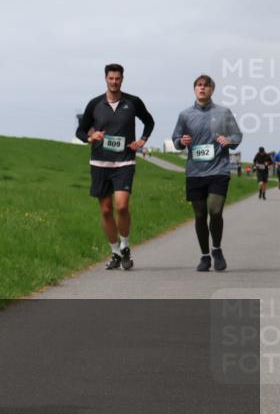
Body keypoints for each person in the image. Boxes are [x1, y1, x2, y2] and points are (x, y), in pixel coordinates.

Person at [75, 64, 155, 270]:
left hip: (125, 161)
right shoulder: (94, 104)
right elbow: (80, 131)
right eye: (111, 78)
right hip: (100, 162)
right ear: (105, 79)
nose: (114, 82)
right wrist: (91, 137)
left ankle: (126, 247)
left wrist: (142, 140)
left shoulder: (133, 102)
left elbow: (149, 121)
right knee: (106, 210)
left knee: (121, 205)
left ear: (122, 79)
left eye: (118, 78)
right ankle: (115, 252)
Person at [171, 74, 243, 271]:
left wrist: (229, 141)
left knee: (215, 210)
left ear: (212, 90)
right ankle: (205, 256)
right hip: (195, 172)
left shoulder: (223, 112)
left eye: (206, 86)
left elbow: (237, 135)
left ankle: (217, 249)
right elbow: (176, 138)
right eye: (199, 85)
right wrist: (181, 142)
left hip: (219, 169)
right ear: (195, 89)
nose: (202, 88)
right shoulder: (185, 115)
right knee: (200, 215)